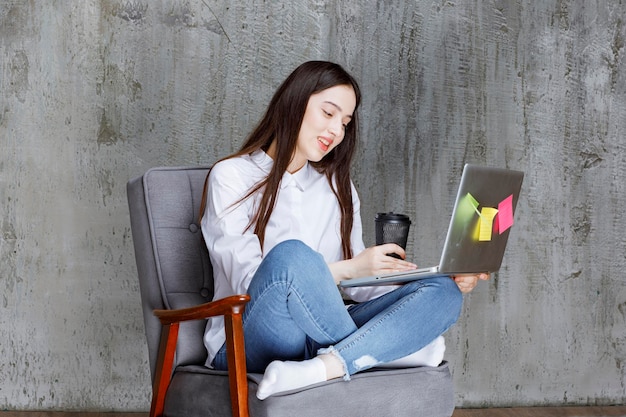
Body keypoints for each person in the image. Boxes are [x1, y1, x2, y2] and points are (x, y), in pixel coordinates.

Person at [199, 60, 489, 400]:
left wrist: (436, 277)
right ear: (294, 102)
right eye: (328, 113)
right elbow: (252, 285)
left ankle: (325, 367)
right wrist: (351, 271)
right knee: (292, 257)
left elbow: (359, 289)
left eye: (345, 123)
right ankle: (392, 349)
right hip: (251, 334)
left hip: (320, 332)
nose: (336, 131)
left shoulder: (337, 185)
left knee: (443, 291)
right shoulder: (232, 176)